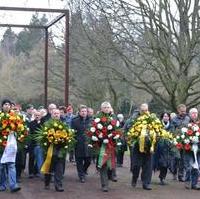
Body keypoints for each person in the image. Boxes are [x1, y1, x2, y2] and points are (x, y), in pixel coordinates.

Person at [0, 99, 21, 192]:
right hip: (1, 143)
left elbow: (20, 128)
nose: (7, 106)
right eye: (5, 104)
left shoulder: (15, 117)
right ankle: (2, 184)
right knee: (2, 165)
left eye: (8, 104)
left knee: (11, 164)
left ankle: (13, 185)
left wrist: (16, 131)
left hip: (11, 143)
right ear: (2, 106)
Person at [131, 103, 153, 190]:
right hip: (137, 147)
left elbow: (158, 129)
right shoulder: (134, 119)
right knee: (136, 165)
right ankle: (134, 178)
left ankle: (146, 183)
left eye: (146, 110)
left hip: (149, 147)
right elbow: (129, 130)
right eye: (143, 110)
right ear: (140, 110)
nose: (144, 112)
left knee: (148, 166)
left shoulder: (152, 119)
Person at [44, 109, 66, 192]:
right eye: (55, 113)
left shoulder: (64, 124)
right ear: (51, 114)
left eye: (58, 113)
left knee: (59, 168)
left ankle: (58, 185)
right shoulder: (47, 124)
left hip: (60, 149)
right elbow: (43, 136)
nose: (56, 115)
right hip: (49, 149)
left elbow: (68, 134)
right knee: (49, 168)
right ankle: (47, 182)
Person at [71, 105, 91, 183]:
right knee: (79, 160)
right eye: (82, 111)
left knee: (88, 160)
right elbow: (72, 132)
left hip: (88, 143)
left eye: (85, 111)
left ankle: (84, 170)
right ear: (79, 112)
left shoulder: (91, 120)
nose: (84, 113)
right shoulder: (74, 121)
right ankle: (81, 176)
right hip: (78, 143)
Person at [171, 104, 190, 182]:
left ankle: (181, 175)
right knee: (176, 157)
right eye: (182, 111)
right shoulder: (174, 119)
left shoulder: (188, 118)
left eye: (185, 111)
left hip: (185, 141)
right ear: (178, 111)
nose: (184, 112)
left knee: (182, 158)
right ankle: (174, 171)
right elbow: (172, 130)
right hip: (176, 141)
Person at [154, 112, 172, 185]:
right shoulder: (158, 124)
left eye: (167, 116)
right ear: (162, 117)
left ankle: (162, 178)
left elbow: (173, 133)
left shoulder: (171, 125)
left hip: (168, 148)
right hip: (158, 147)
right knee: (158, 162)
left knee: (165, 163)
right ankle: (146, 176)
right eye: (164, 116)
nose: (166, 117)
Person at [184, 108, 200, 190]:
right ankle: (187, 181)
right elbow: (182, 135)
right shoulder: (186, 123)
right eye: (193, 113)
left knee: (197, 166)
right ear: (189, 114)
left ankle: (194, 184)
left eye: (196, 113)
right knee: (189, 166)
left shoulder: (199, 123)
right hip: (188, 149)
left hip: (198, 149)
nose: (194, 114)